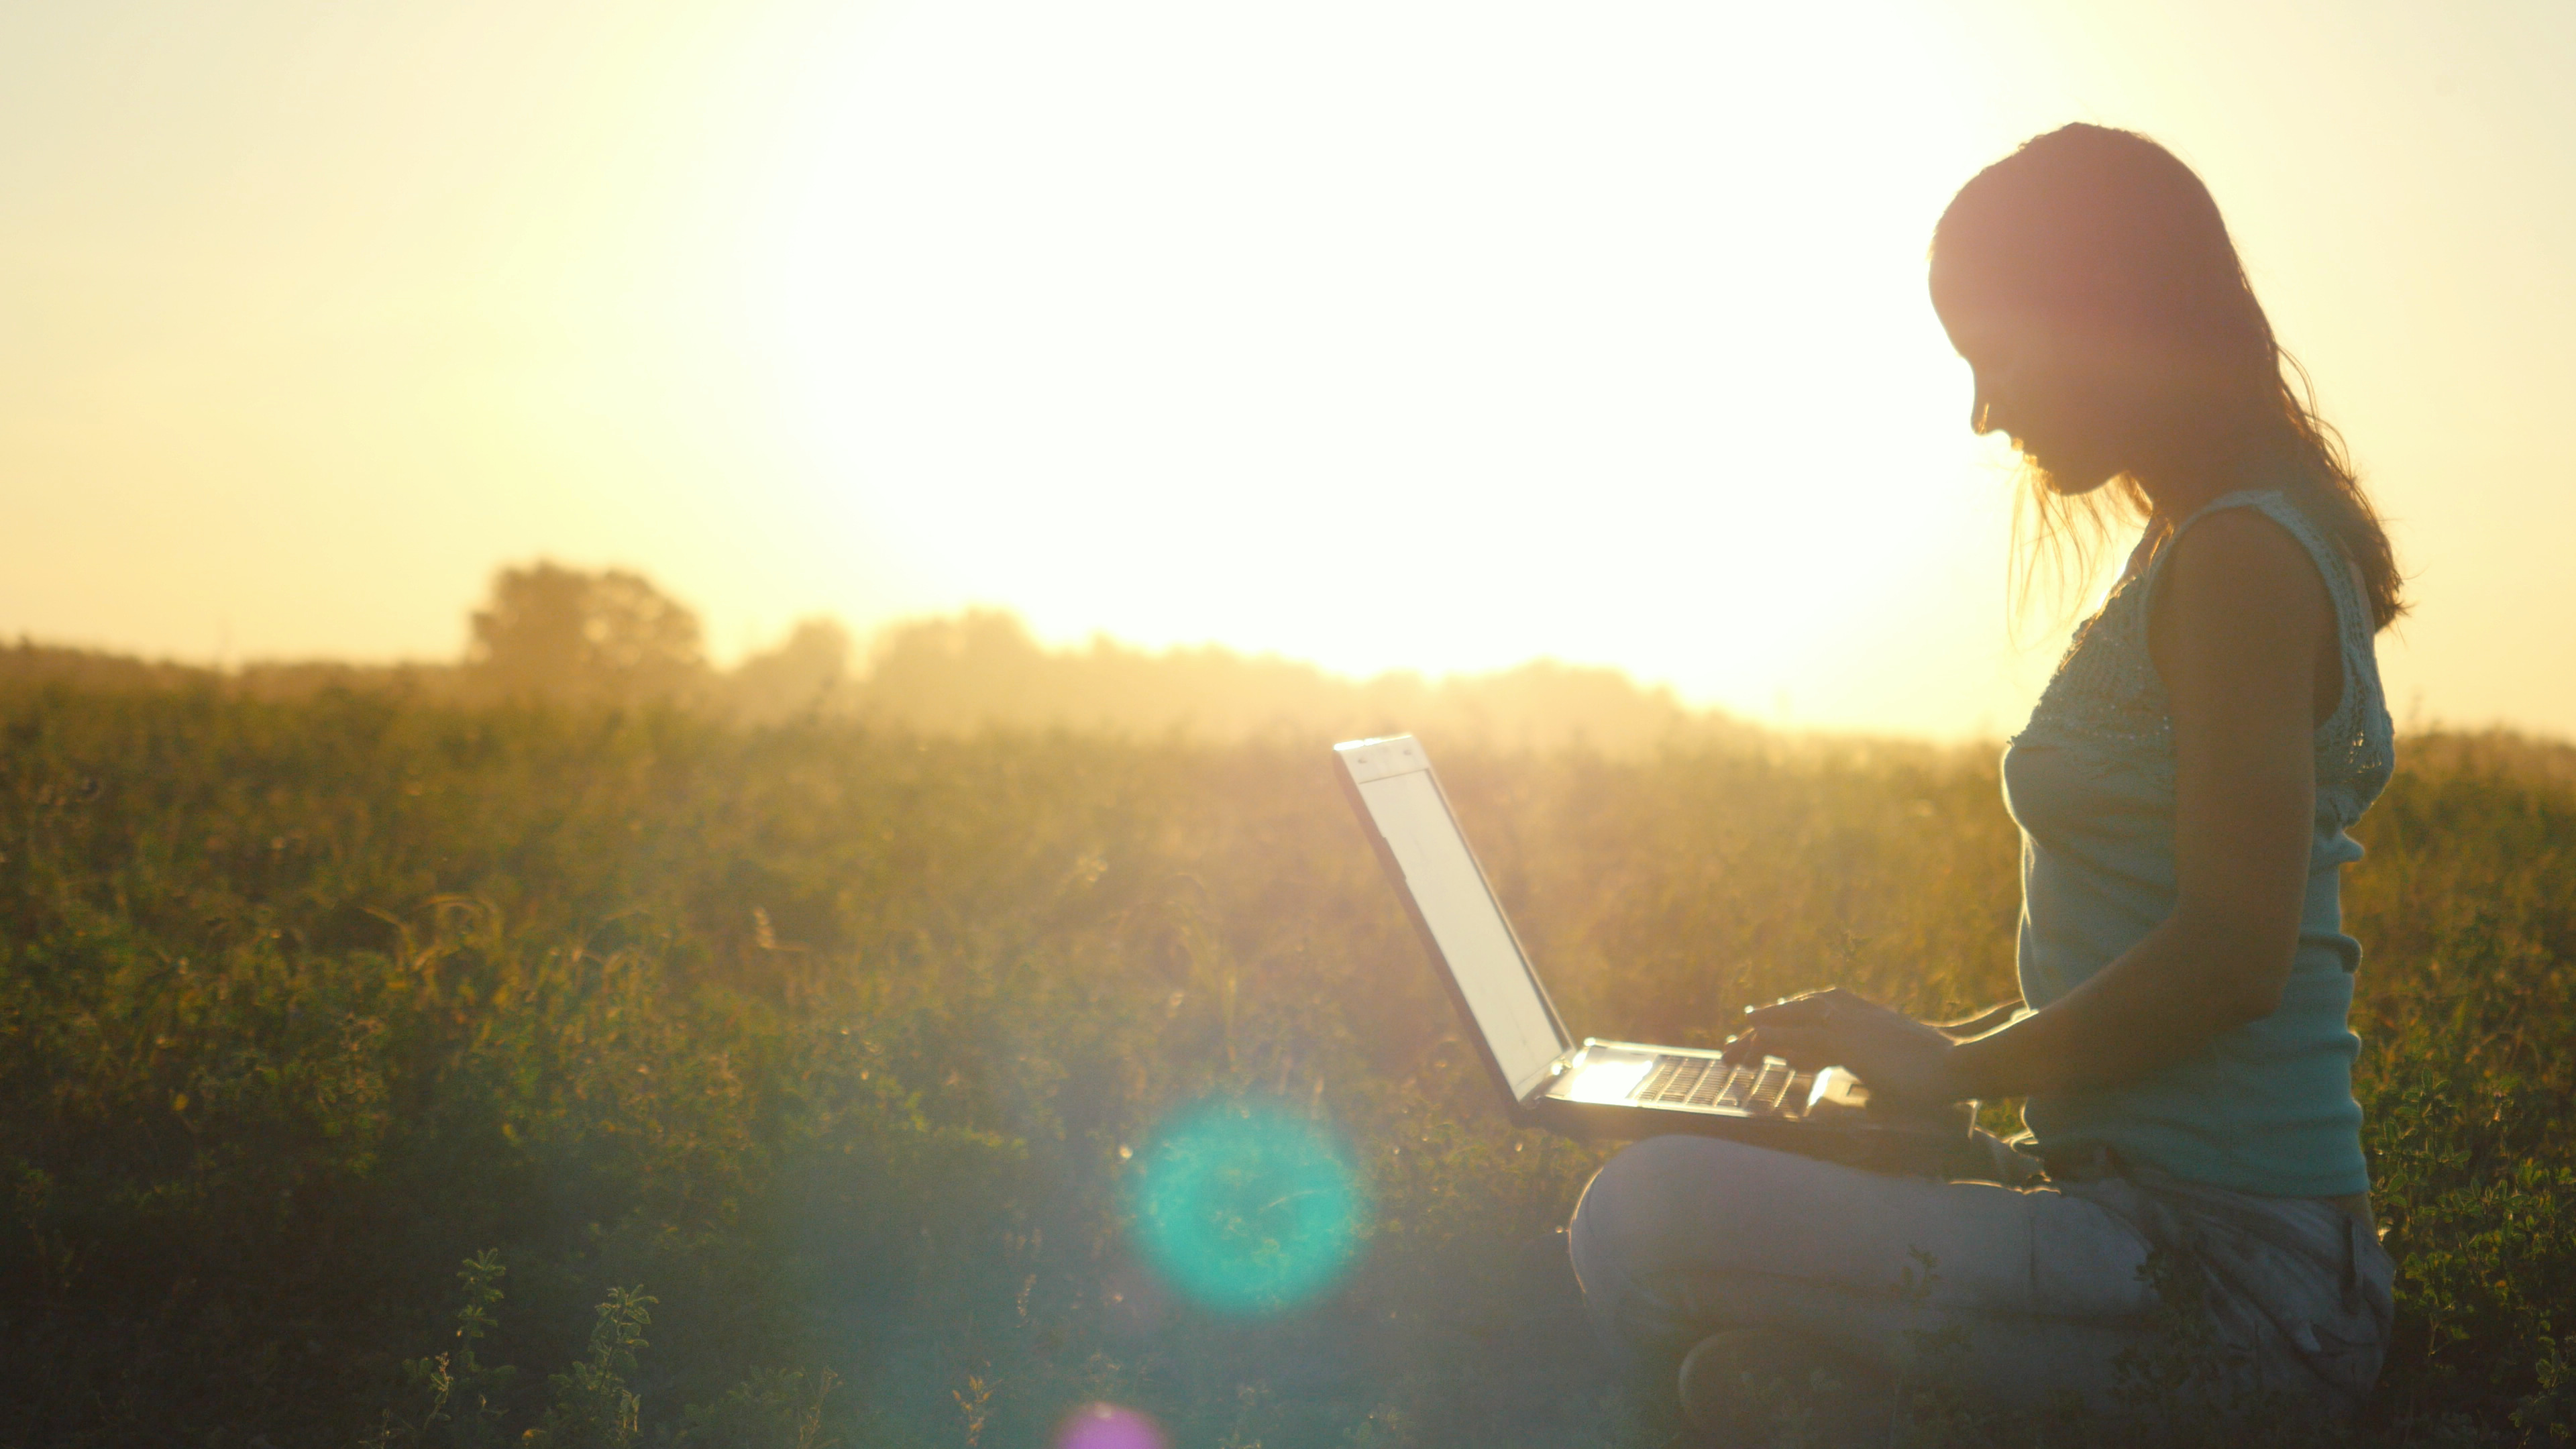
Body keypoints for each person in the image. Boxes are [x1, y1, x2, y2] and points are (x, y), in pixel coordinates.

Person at [1565, 123, 2406, 1438]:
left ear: (2102, 316)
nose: (1983, 411)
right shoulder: (2194, 543)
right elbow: (2166, 944)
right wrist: (1917, 1065)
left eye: (1992, 354)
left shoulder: (2242, 560)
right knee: (1703, 1179)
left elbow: (2232, 956)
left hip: (2245, 1280)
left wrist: (1950, 1074)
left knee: (1643, 1218)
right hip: (2132, 1213)